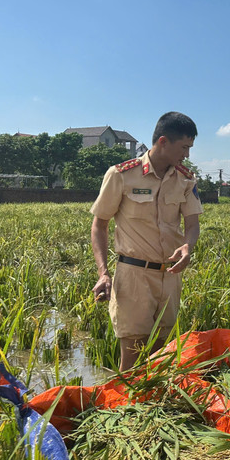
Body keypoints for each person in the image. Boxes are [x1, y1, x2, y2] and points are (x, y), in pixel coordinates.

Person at [90, 112, 202, 371]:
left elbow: (193, 225)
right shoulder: (122, 175)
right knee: (131, 353)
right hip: (133, 276)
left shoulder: (186, 179)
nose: (187, 155)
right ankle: (127, 408)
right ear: (163, 141)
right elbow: (100, 224)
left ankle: (154, 409)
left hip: (170, 276)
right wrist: (103, 273)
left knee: (162, 355)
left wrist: (188, 245)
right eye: (184, 147)